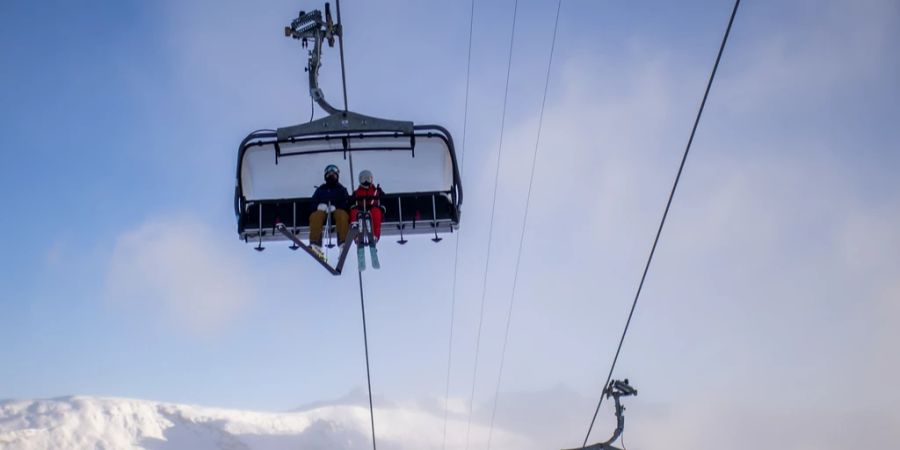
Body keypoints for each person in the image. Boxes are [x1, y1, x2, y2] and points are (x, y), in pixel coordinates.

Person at [309, 164, 350, 252]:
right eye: (329, 174)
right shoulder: (320, 190)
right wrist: (318, 206)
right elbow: (312, 203)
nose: (331, 176)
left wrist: (336, 207)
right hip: (323, 213)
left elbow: (346, 203)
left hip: (336, 212)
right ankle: (315, 242)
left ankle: (343, 243)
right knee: (316, 215)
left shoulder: (341, 189)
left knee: (342, 214)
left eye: (334, 174)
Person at [350, 169, 386, 242]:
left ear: (371, 179)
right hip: (360, 210)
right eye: (363, 179)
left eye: (368, 179)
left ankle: (375, 236)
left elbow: (385, 201)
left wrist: (382, 207)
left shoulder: (377, 191)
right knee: (354, 212)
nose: (366, 181)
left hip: (373, 210)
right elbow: (351, 203)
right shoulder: (356, 193)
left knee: (376, 211)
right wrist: (353, 206)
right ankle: (356, 236)